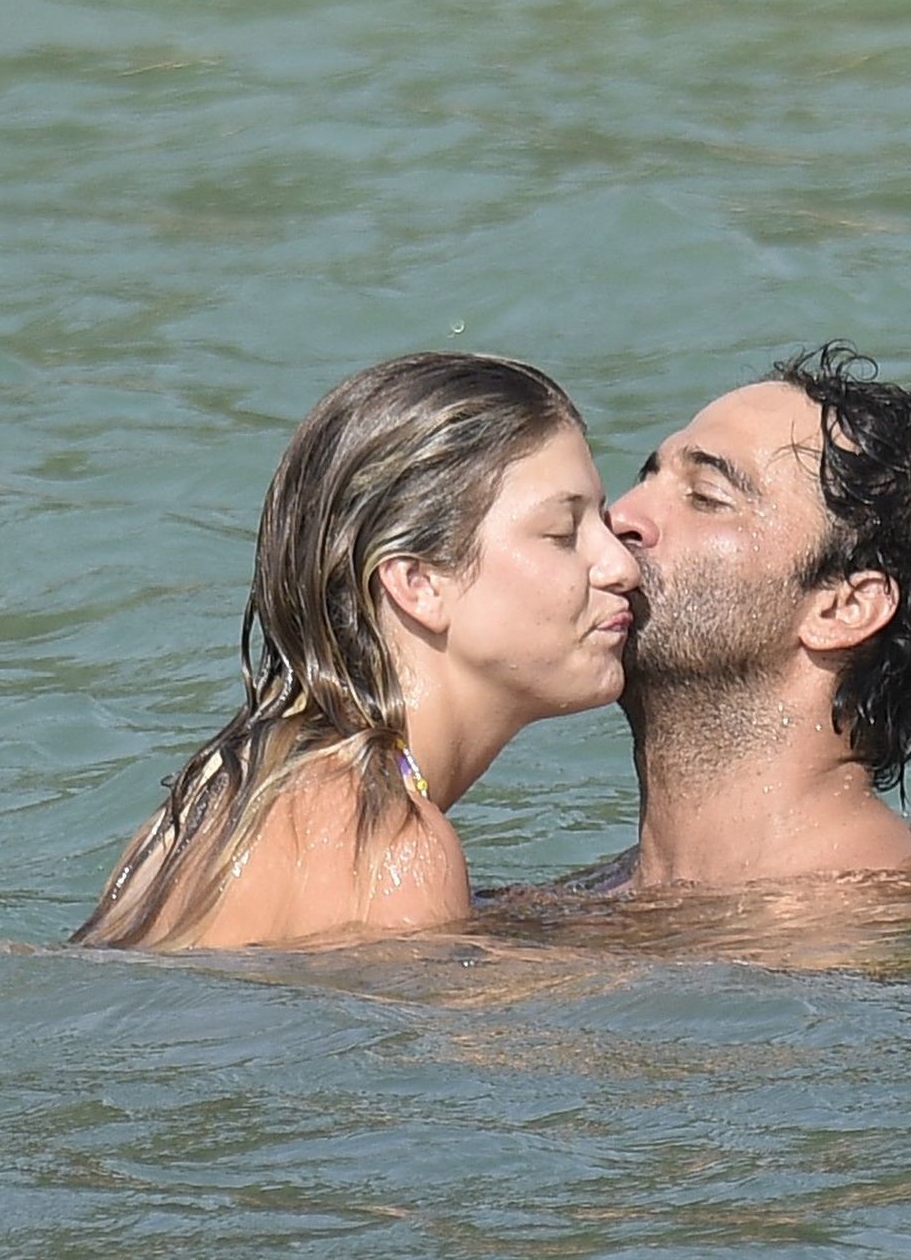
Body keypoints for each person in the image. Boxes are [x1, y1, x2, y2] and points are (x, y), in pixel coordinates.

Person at [71, 352, 639, 951]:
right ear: (417, 582)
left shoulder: (222, 794)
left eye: (603, 521)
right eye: (562, 534)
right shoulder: (391, 846)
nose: (621, 565)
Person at [582, 340, 911, 892]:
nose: (619, 516)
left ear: (844, 608)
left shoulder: (848, 919)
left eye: (705, 496)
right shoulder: (599, 900)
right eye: (646, 477)